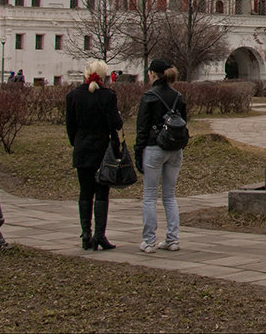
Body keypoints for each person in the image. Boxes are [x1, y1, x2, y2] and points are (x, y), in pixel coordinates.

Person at [65, 59, 123, 251]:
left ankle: (86, 234)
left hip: (82, 147)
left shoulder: (73, 96)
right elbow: (116, 123)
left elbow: (70, 126)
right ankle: (100, 235)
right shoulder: (108, 96)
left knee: (85, 191)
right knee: (102, 192)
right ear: (103, 76)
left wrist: (78, 142)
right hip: (102, 149)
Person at [135, 58, 187, 254]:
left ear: (153, 74)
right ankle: (172, 239)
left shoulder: (149, 96)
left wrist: (138, 151)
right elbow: (184, 123)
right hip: (174, 149)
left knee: (149, 196)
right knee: (169, 196)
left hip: (154, 147)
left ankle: (149, 241)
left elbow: (142, 128)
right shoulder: (178, 96)